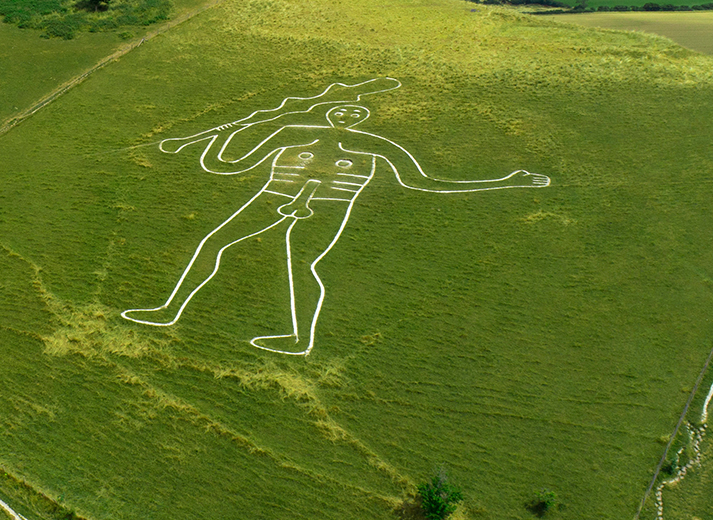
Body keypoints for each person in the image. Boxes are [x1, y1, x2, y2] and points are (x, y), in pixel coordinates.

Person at [121, 79, 550, 355]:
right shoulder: (291, 134)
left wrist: (506, 181)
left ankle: (298, 338)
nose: (346, 117)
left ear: (364, 119)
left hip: (327, 208)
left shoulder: (377, 147)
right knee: (214, 243)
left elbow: (425, 183)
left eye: (355, 115)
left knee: (302, 265)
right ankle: (168, 309)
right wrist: (219, 140)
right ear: (329, 113)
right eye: (341, 112)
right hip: (273, 195)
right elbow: (228, 168)